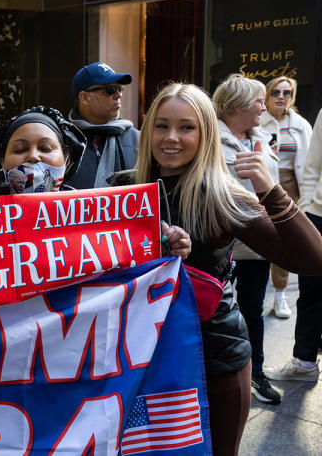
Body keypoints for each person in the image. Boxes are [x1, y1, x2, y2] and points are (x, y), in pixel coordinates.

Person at [111, 82, 322, 456]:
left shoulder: (223, 195)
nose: (171, 137)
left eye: (186, 127)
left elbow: (312, 259)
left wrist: (269, 188)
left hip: (213, 363)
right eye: (161, 126)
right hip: (135, 363)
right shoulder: (121, 189)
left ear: (205, 133)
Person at [0, 105, 190, 254]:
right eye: (20, 149)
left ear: (67, 159)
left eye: (45, 148)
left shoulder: (100, 214)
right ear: (1, 162)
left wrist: (165, 246)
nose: (33, 156)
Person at [212, 74, 281, 405]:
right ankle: (215, 374)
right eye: (259, 100)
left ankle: (256, 373)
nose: (264, 107)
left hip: (257, 242)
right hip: (219, 242)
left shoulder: (264, 139)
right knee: (213, 308)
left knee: (253, 307)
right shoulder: (209, 138)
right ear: (238, 104)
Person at [265, 106, 322, 384]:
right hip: (320, 214)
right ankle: (305, 360)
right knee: (311, 292)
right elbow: (313, 166)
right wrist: (308, 207)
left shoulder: (299, 121)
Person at [260, 76, 313, 319]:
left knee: (286, 240)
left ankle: (280, 294)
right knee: (258, 239)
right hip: (260, 185)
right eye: (276, 93)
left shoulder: (301, 124)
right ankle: (253, 291)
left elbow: (311, 163)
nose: (281, 97)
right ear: (267, 95)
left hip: (291, 188)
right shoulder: (257, 120)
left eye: (287, 93)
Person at [64, 62, 139, 189]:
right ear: (84, 98)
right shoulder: (61, 141)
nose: (118, 95)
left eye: (120, 89)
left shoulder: (138, 140)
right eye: (110, 90)